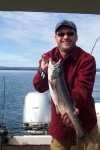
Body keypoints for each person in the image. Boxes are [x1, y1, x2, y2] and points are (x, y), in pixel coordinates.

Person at [33, 20, 100, 150]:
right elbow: (39, 87)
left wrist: (73, 108)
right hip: (59, 126)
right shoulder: (48, 58)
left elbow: (82, 89)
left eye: (70, 33)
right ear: (55, 37)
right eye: (61, 34)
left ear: (76, 37)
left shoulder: (87, 60)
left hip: (86, 122)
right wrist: (43, 72)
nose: (65, 37)